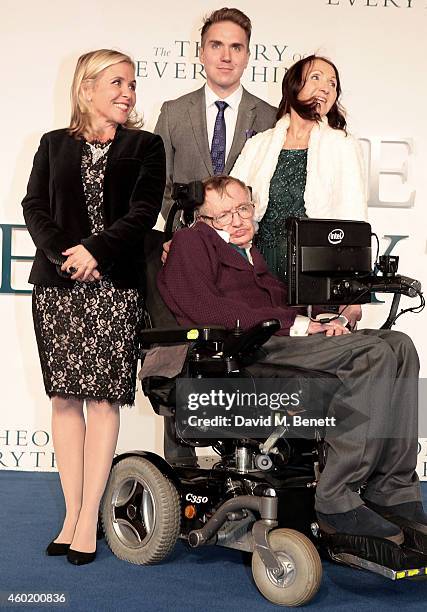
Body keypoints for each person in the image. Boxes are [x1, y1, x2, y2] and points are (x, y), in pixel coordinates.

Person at [157, 175, 427, 547]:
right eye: (223, 215)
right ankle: (336, 497)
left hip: (276, 338)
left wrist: (328, 317)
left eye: (243, 209)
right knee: (373, 353)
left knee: (400, 346)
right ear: (203, 220)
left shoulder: (250, 253)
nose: (237, 220)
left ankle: (393, 488)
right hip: (246, 348)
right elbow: (206, 308)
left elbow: (281, 302)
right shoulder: (192, 241)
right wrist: (301, 325)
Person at [22, 49, 166, 565]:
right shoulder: (53, 144)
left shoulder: (147, 145)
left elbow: (144, 211)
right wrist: (67, 256)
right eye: (116, 83)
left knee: (103, 401)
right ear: (87, 89)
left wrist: (96, 251)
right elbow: (33, 206)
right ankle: (70, 511)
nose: (127, 92)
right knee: (65, 399)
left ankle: (89, 520)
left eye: (131, 84)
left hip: (115, 286)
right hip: (58, 287)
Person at [232, 54, 367, 329]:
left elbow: (353, 220)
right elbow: (228, 204)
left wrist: (352, 296)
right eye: (316, 77)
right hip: (259, 274)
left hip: (316, 277)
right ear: (293, 85)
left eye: (333, 84)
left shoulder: (342, 146)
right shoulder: (258, 145)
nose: (326, 87)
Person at [154, 7, 276, 219]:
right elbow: (158, 185)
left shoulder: (271, 118)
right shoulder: (172, 113)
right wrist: (185, 234)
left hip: (247, 245)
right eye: (216, 45)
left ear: (247, 57)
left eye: (236, 47)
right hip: (188, 244)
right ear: (201, 53)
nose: (226, 57)